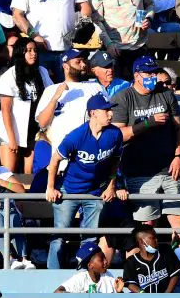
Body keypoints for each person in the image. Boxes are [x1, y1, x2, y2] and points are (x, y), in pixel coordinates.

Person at [45, 93, 124, 269]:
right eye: (106, 111)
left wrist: (111, 186)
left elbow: (115, 160)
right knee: (60, 236)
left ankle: (84, 273)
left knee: (90, 237)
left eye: (110, 110)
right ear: (93, 113)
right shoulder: (76, 136)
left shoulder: (115, 134)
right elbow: (55, 160)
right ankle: (52, 275)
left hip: (95, 191)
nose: (110, 114)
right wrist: (50, 187)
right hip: (70, 189)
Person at [112, 54, 180, 233]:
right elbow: (117, 136)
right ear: (137, 75)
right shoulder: (123, 98)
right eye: (148, 74)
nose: (153, 77)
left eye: (154, 73)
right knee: (146, 227)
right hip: (139, 172)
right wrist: (148, 123)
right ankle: (147, 261)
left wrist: (178, 156)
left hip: (170, 169)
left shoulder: (166, 94)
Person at [35, 49, 107, 162]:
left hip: (90, 154)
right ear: (66, 66)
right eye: (78, 62)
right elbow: (42, 123)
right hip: (61, 155)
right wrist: (55, 98)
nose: (83, 65)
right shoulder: (51, 90)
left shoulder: (96, 87)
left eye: (84, 61)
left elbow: (106, 117)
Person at [0, 38, 53, 174]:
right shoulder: (9, 76)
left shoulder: (42, 71)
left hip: (33, 132)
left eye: (34, 50)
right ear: (20, 53)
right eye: (28, 51)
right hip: (11, 132)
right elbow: (5, 110)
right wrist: (12, 139)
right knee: (9, 174)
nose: (33, 53)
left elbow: (52, 93)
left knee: (29, 177)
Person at [122, 226, 180, 293]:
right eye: (153, 238)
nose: (156, 240)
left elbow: (175, 275)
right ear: (142, 241)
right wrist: (143, 295)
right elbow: (130, 283)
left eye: (156, 237)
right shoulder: (131, 261)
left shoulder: (166, 251)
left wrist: (166, 295)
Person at [54, 238, 125, 293]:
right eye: (101, 260)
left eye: (104, 258)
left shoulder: (108, 276)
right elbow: (57, 292)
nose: (106, 261)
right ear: (90, 265)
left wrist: (119, 292)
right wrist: (81, 297)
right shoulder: (80, 278)